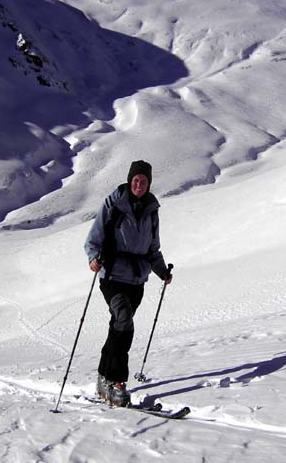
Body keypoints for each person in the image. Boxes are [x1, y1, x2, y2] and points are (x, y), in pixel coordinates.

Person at [85, 160, 172, 407]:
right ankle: (117, 381)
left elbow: (152, 248)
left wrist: (162, 271)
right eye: (136, 179)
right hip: (111, 275)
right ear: (129, 179)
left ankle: (103, 377)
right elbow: (94, 237)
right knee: (124, 319)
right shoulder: (113, 204)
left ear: (149, 183)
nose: (139, 184)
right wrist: (93, 257)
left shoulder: (151, 211)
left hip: (137, 279)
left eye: (144, 181)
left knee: (118, 326)